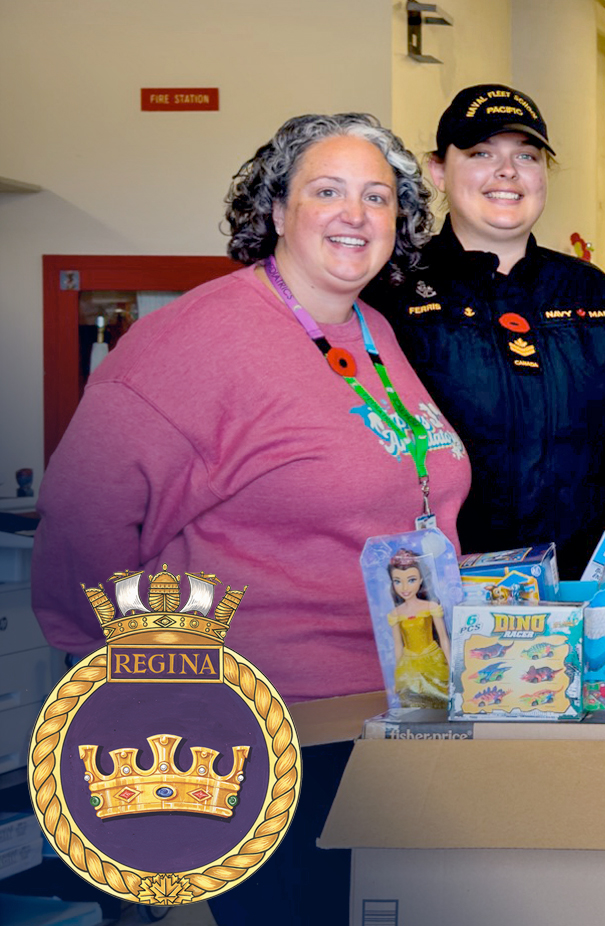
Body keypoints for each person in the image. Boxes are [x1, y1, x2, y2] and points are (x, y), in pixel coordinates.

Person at [32, 112, 471, 926]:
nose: (355, 214)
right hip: (261, 737)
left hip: (394, 711)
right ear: (275, 210)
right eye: (327, 191)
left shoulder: (368, 331)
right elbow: (79, 528)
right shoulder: (195, 341)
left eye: (378, 197)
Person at [364, 84, 605, 578]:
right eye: (480, 153)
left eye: (527, 155)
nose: (507, 171)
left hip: (582, 585)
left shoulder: (591, 293)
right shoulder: (391, 291)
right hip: (442, 588)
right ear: (438, 170)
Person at [387, 549, 447, 708]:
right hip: (409, 663)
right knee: (413, 704)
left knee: (440, 699)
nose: (404, 587)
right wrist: (396, 680)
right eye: (398, 581)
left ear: (421, 579)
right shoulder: (395, 614)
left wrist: (452, 667)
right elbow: (398, 646)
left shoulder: (430, 607)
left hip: (432, 659)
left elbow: (443, 638)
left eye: (411, 580)